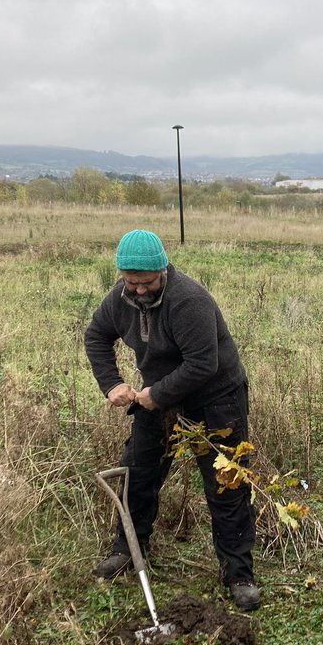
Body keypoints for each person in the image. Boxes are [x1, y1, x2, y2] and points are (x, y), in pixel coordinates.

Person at [84, 230, 260, 611]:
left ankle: (239, 573)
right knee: (138, 474)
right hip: (157, 402)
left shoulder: (189, 300)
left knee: (226, 486)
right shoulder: (120, 298)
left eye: (147, 282)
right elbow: (96, 335)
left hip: (216, 400)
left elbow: (203, 364)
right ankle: (127, 550)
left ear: (163, 270)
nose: (140, 291)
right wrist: (112, 383)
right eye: (132, 283)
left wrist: (156, 394)